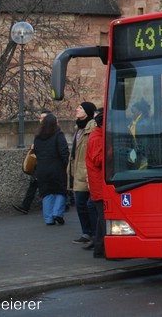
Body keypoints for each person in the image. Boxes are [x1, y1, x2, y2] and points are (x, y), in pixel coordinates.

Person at [31, 113, 69, 225]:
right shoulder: (58, 135)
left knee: (46, 193)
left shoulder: (37, 136)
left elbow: (36, 151)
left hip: (42, 168)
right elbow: (64, 152)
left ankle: (48, 218)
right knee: (60, 191)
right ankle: (57, 212)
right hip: (57, 168)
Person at [69, 102, 97, 244]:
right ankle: (87, 232)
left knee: (87, 204)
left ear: (87, 111)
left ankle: (92, 233)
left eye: (80, 108)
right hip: (78, 171)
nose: (77, 109)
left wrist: (87, 172)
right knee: (80, 203)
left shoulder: (91, 127)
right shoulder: (79, 128)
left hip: (86, 171)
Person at [14, 111, 49, 214]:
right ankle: (25, 206)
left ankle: (26, 206)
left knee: (41, 186)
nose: (40, 120)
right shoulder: (40, 131)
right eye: (40, 118)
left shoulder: (51, 132)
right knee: (33, 185)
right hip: (39, 164)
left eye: (43, 118)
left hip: (45, 164)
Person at [85, 110, 105, 258]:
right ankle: (105, 250)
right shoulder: (97, 138)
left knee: (101, 219)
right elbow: (98, 160)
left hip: (98, 184)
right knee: (104, 219)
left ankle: (99, 249)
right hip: (99, 185)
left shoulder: (97, 136)